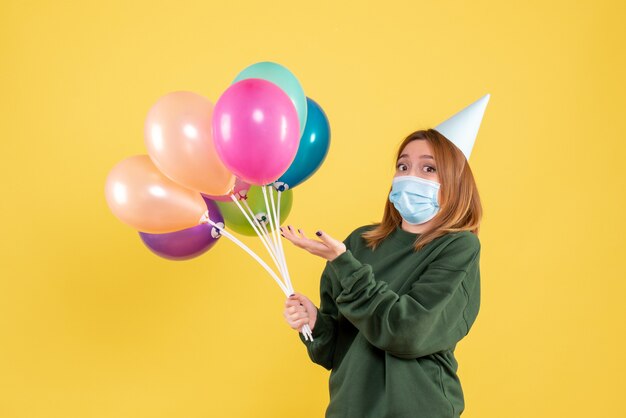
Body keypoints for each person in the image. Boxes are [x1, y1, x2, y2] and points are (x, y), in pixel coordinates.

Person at [280, 125, 484, 417]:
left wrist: (344, 264)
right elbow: (336, 351)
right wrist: (314, 324)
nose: (410, 175)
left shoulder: (458, 247)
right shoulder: (359, 243)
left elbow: (406, 332)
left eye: (428, 168)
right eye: (403, 165)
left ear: (454, 181)